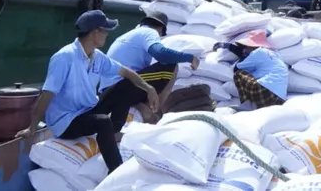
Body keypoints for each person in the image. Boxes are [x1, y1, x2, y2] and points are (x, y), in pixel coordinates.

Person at [17, 10, 159, 173]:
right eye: (105, 31)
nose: (107, 35)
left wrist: (148, 88)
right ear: (95, 32)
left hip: (86, 110)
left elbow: (126, 72)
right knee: (103, 121)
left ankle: (113, 134)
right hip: (66, 122)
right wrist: (32, 128)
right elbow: (47, 94)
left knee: (124, 85)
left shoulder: (97, 56)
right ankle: (116, 170)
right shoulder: (64, 57)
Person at [98, 12, 200, 128]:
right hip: (121, 85)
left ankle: (140, 105)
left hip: (109, 88)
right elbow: (160, 53)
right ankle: (156, 111)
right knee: (171, 66)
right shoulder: (149, 32)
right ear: (161, 29)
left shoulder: (129, 34)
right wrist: (190, 58)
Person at [233, 30, 289, 108]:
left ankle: (246, 105)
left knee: (239, 74)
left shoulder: (258, 52)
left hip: (264, 90)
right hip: (279, 99)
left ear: (252, 46)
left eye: (246, 47)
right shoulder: (275, 54)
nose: (245, 50)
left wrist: (236, 51)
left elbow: (236, 68)